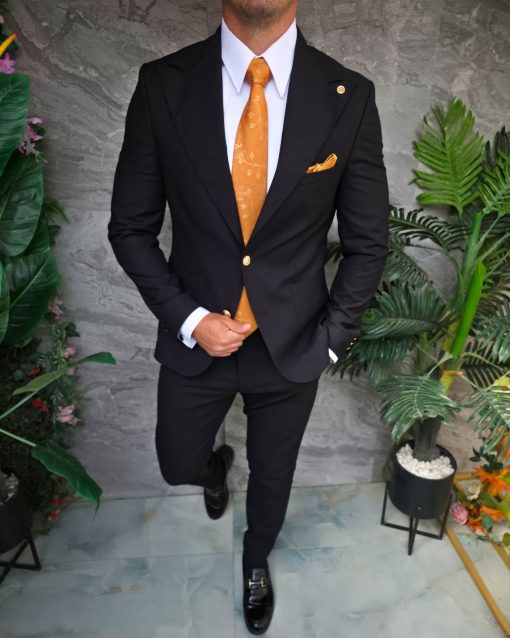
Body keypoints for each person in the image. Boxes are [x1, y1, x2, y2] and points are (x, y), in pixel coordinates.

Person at [108, 0, 389, 633]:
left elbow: (369, 243)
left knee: (274, 476)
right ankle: (214, 469)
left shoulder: (349, 95)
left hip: (294, 345)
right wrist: (189, 319)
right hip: (196, 341)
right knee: (176, 463)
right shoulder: (162, 84)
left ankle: (256, 557)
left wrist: (331, 341)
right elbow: (129, 227)